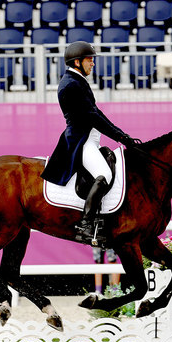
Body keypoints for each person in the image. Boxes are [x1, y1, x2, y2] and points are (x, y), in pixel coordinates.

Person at [40, 41, 141, 244]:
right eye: (89, 60)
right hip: (81, 141)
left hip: (89, 139)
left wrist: (123, 135)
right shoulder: (71, 84)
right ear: (77, 62)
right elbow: (93, 117)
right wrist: (122, 138)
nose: (93, 64)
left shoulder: (77, 81)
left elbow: (96, 113)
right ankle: (86, 224)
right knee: (104, 174)